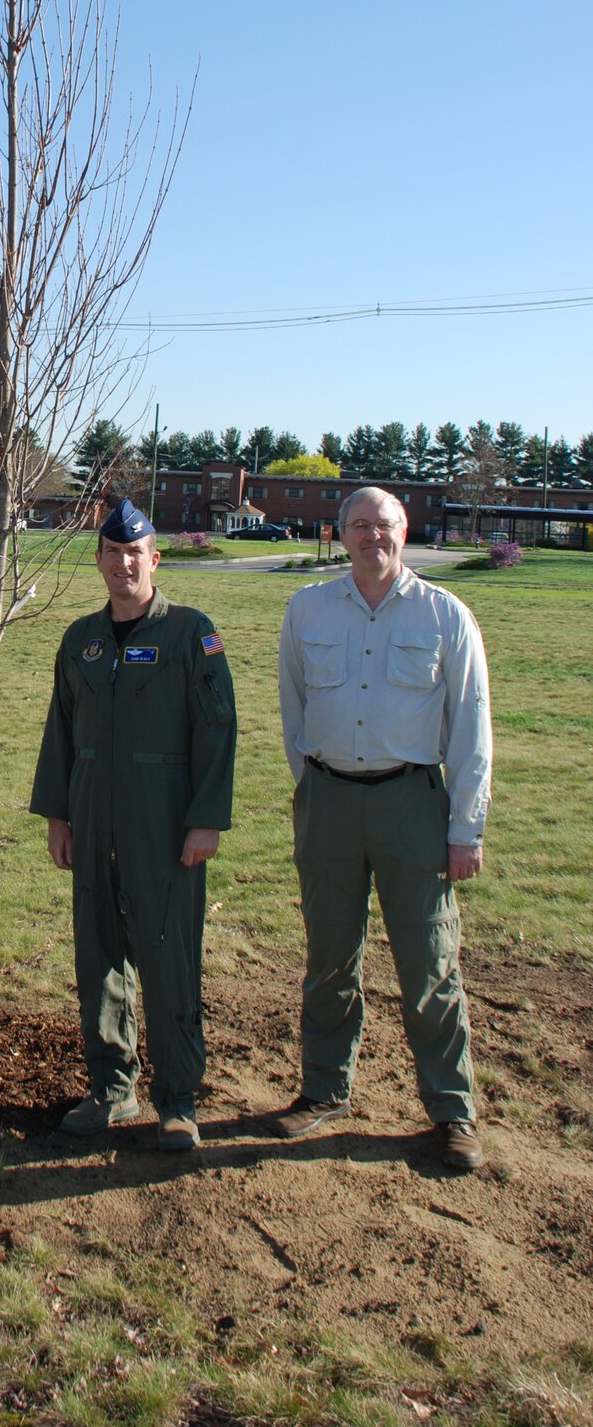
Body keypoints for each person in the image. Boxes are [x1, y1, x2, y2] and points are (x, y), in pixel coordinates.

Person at [275, 486, 492, 1171]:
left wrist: (465, 829)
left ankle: (451, 1111)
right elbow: (293, 706)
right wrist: (312, 786)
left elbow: (471, 730)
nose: (373, 536)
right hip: (329, 803)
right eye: (360, 525)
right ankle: (321, 1092)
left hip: (411, 807)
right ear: (340, 536)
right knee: (328, 960)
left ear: (405, 532)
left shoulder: (444, 616)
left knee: (429, 964)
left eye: (385, 525)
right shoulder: (306, 609)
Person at [30, 499, 237, 1152]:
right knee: (98, 958)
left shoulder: (190, 634)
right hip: (93, 824)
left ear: (154, 559)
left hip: (165, 828)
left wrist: (205, 820)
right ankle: (111, 1090)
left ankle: (177, 1100)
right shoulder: (79, 641)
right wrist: (59, 815)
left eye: (134, 554)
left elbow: (217, 730)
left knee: (167, 960)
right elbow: (60, 732)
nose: (122, 564)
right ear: (98, 561)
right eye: (110, 554)